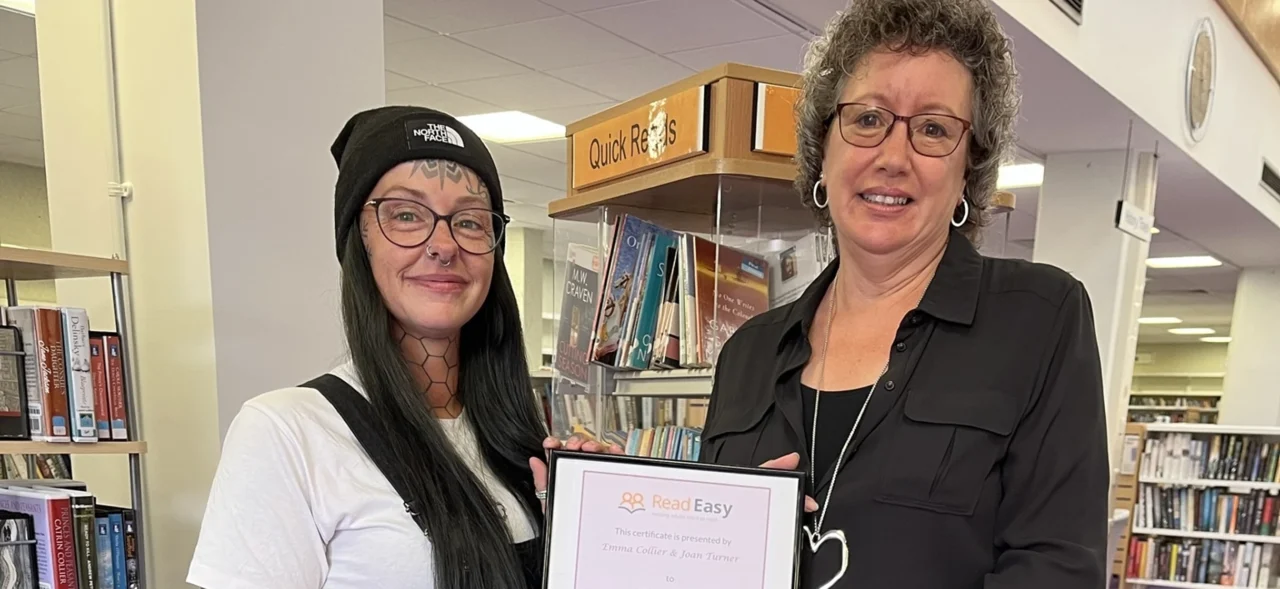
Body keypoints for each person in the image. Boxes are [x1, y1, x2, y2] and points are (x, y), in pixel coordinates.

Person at [698, 1, 1110, 588]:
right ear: (823, 149)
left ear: (970, 167)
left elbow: (1058, 570)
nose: (893, 157)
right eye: (867, 120)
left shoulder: (1039, 319)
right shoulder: (748, 352)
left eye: (934, 129)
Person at [186, 105, 617, 589]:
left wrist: (596, 523)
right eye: (407, 215)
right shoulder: (287, 432)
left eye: (471, 222)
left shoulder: (516, 435)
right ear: (359, 241)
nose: (444, 244)